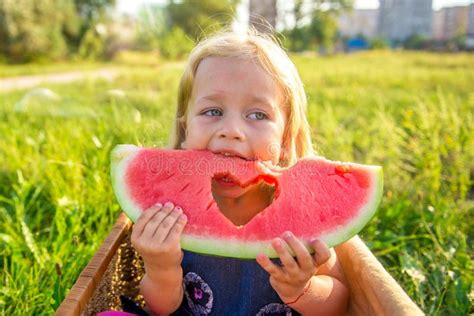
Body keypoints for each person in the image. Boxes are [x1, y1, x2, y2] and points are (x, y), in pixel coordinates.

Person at [130, 29, 422, 315]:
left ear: (284, 141)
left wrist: (303, 290)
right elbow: (161, 307)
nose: (232, 131)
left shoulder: (305, 214)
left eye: (258, 115)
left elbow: (338, 303)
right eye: (213, 111)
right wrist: (161, 267)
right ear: (185, 128)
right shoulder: (171, 212)